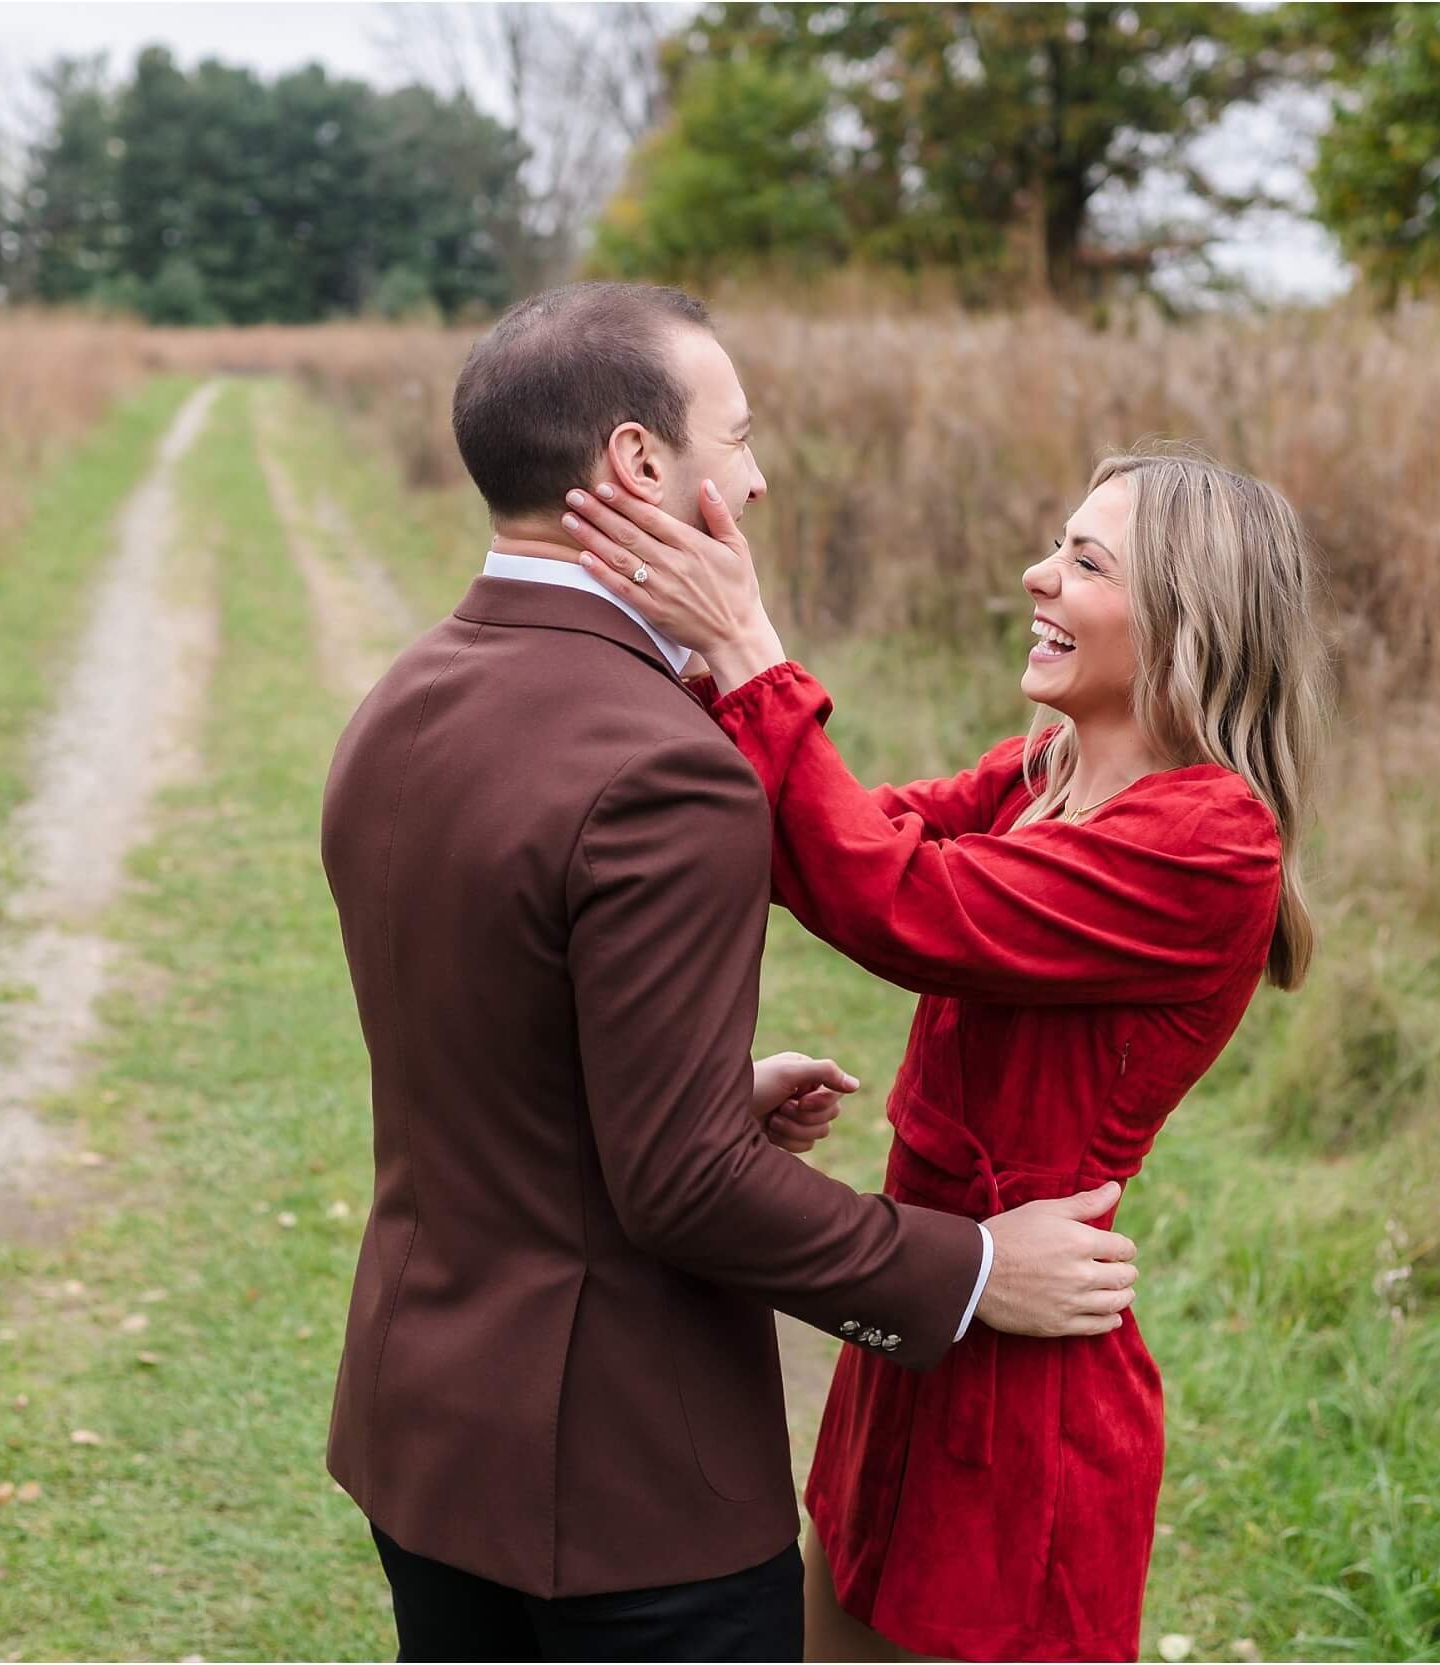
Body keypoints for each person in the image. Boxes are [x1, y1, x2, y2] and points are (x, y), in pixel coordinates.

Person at [319, 281, 1145, 1662]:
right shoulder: (668, 767)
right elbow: (684, 1182)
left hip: (419, 1429)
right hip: (621, 1493)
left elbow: (483, 1043)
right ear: (641, 463)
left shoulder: (403, 697)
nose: (756, 480)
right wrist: (973, 1269)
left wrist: (692, 1084)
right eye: (738, 436)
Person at [556, 441, 1330, 1661]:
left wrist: (757, 653)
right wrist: (698, 658)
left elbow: (897, 904)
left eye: (1083, 561)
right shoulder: (1043, 774)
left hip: (1027, 1396)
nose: (1036, 575)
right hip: (922, 1317)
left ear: (1187, 620)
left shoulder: (1208, 840)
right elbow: (828, 836)